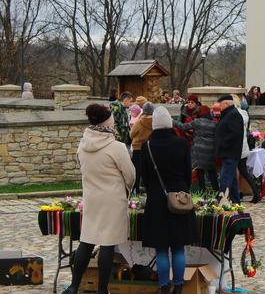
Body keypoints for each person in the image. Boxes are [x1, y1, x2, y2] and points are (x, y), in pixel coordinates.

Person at [62, 104, 135, 294]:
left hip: (92, 198)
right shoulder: (116, 147)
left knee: (87, 241)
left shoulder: (83, 144)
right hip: (112, 199)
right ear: (108, 122)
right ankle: (102, 289)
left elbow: (81, 167)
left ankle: (73, 285)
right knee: (107, 244)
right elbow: (130, 175)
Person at [140, 106, 197, 294]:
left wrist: (154, 190)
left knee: (162, 248)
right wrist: (183, 189)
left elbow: (145, 177)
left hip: (157, 199)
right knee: (178, 247)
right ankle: (179, 285)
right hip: (180, 197)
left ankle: (164, 286)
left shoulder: (147, 145)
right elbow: (188, 173)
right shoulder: (181, 143)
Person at [174, 105, 219, 193]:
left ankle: (202, 192)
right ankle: (217, 192)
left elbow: (183, 127)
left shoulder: (197, 122)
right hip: (210, 151)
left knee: (200, 172)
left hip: (198, 151)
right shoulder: (214, 124)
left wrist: (173, 122)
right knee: (212, 173)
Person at [214, 95, 244, 203]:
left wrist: (222, 144)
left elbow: (234, 134)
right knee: (232, 181)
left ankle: (221, 201)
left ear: (226, 104)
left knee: (225, 179)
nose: (219, 107)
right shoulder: (228, 114)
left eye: (220, 104)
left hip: (230, 152)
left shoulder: (233, 115)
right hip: (228, 152)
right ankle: (236, 202)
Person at [232, 95, 261, 203]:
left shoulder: (235, 114)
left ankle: (236, 194)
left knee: (236, 171)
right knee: (244, 171)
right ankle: (256, 192)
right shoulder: (244, 113)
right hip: (243, 146)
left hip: (237, 147)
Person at [130, 102, 155, 193]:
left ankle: (135, 189)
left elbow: (132, 134)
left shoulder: (139, 122)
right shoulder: (155, 121)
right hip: (150, 148)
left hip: (138, 148)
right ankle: (150, 189)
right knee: (149, 169)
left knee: (136, 170)